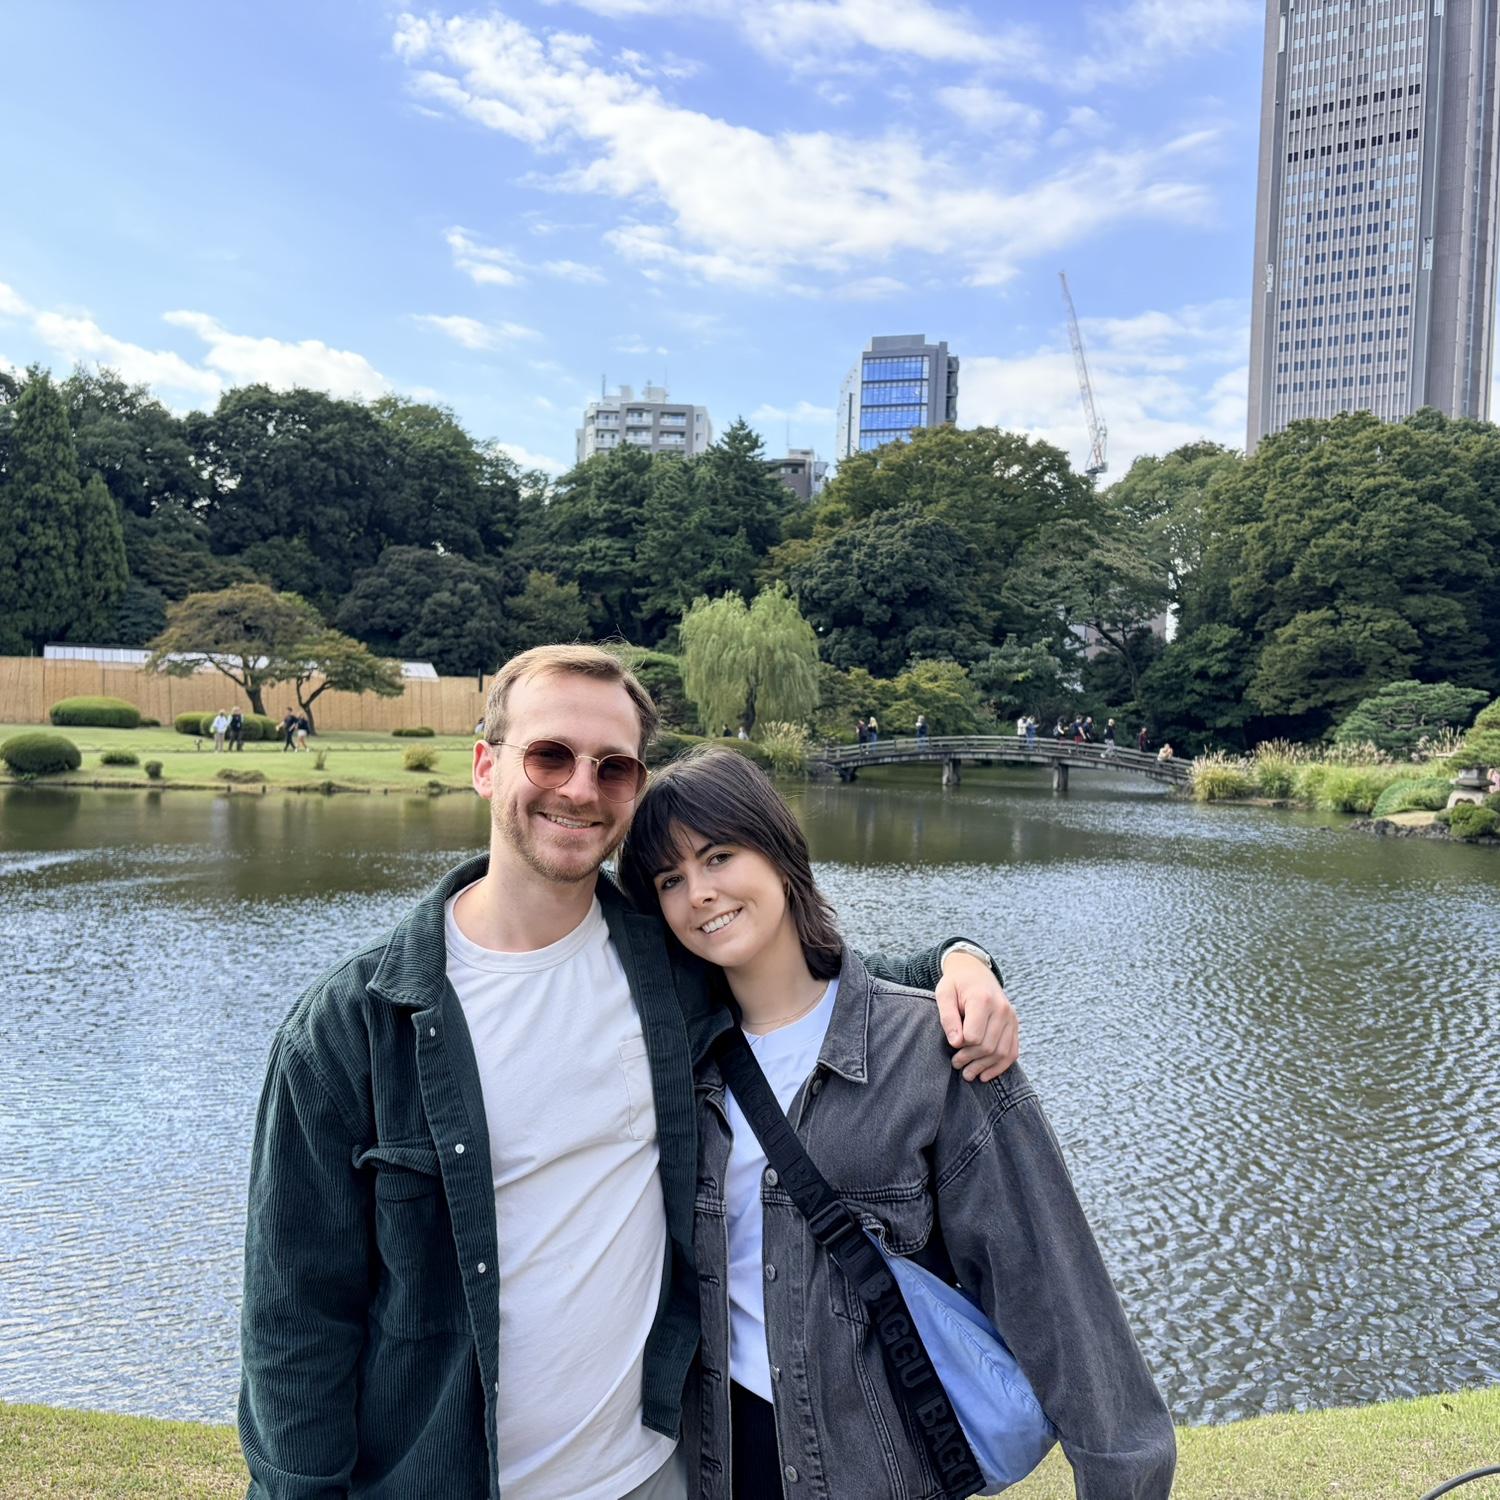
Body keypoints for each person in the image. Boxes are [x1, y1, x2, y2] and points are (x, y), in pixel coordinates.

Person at [239, 644, 1019, 1500]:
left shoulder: (672, 967)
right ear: (486, 766)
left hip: (649, 1476)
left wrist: (962, 958)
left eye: (613, 767)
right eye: (550, 755)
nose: (580, 788)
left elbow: (830, 979)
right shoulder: (348, 1031)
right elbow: (295, 1323)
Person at [617, 749, 1176, 1500]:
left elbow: (1059, 1299)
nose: (701, 894)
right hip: (720, 1463)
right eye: (670, 880)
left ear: (778, 850)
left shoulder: (929, 1053)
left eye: (719, 856)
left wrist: (1123, 1478)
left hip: (877, 1470)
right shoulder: (680, 1063)